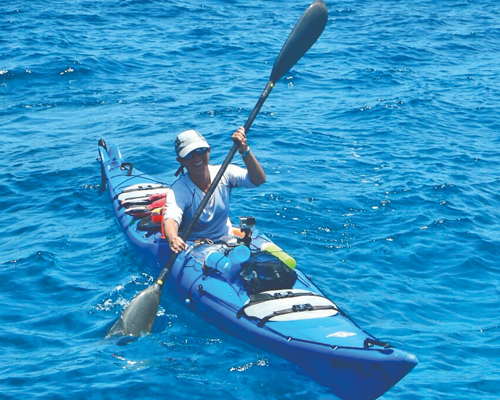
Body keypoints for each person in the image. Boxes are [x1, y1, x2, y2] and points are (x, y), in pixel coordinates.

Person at [163, 127, 266, 253]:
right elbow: (171, 218)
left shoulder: (224, 172)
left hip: (227, 240)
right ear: (181, 161)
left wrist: (244, 150)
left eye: (201, 151)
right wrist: (173, 238)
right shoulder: (179, 189)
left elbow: (258, 180)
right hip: (196, 248)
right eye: (189, 155)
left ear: (208, 150)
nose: (196, 158)